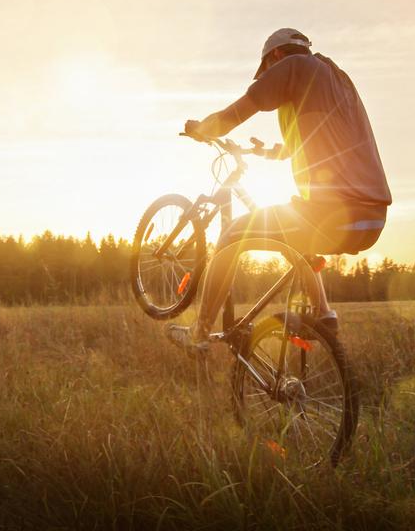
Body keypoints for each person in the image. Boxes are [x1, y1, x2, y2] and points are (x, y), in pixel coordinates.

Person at [166, 27, 392, 352]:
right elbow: (301, 144)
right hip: (371, 217)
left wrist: (203, 128)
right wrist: (266, 151)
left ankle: (199, 334)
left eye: (267, 70)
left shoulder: (295, 66)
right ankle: (324, 313)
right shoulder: (332, 79)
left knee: (232, 234)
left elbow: (240, 110)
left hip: (336, 212)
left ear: (274, 57)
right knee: (292, 229)